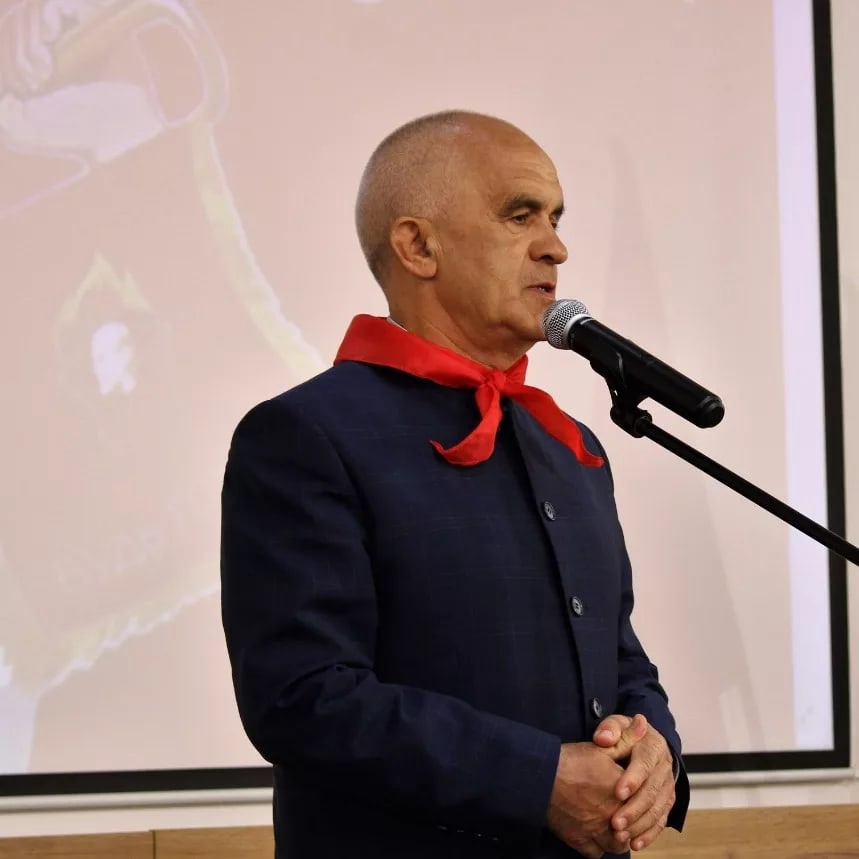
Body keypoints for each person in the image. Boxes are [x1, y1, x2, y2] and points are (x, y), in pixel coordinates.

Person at [220, 110, 690, 859]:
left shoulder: (570, 447)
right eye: (520, 215)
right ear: (417, 246)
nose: (555, 246)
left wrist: (654, 748)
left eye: (556, 218)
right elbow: (303, 696)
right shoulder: (305, 436)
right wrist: (536, 780)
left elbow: (619, 656)